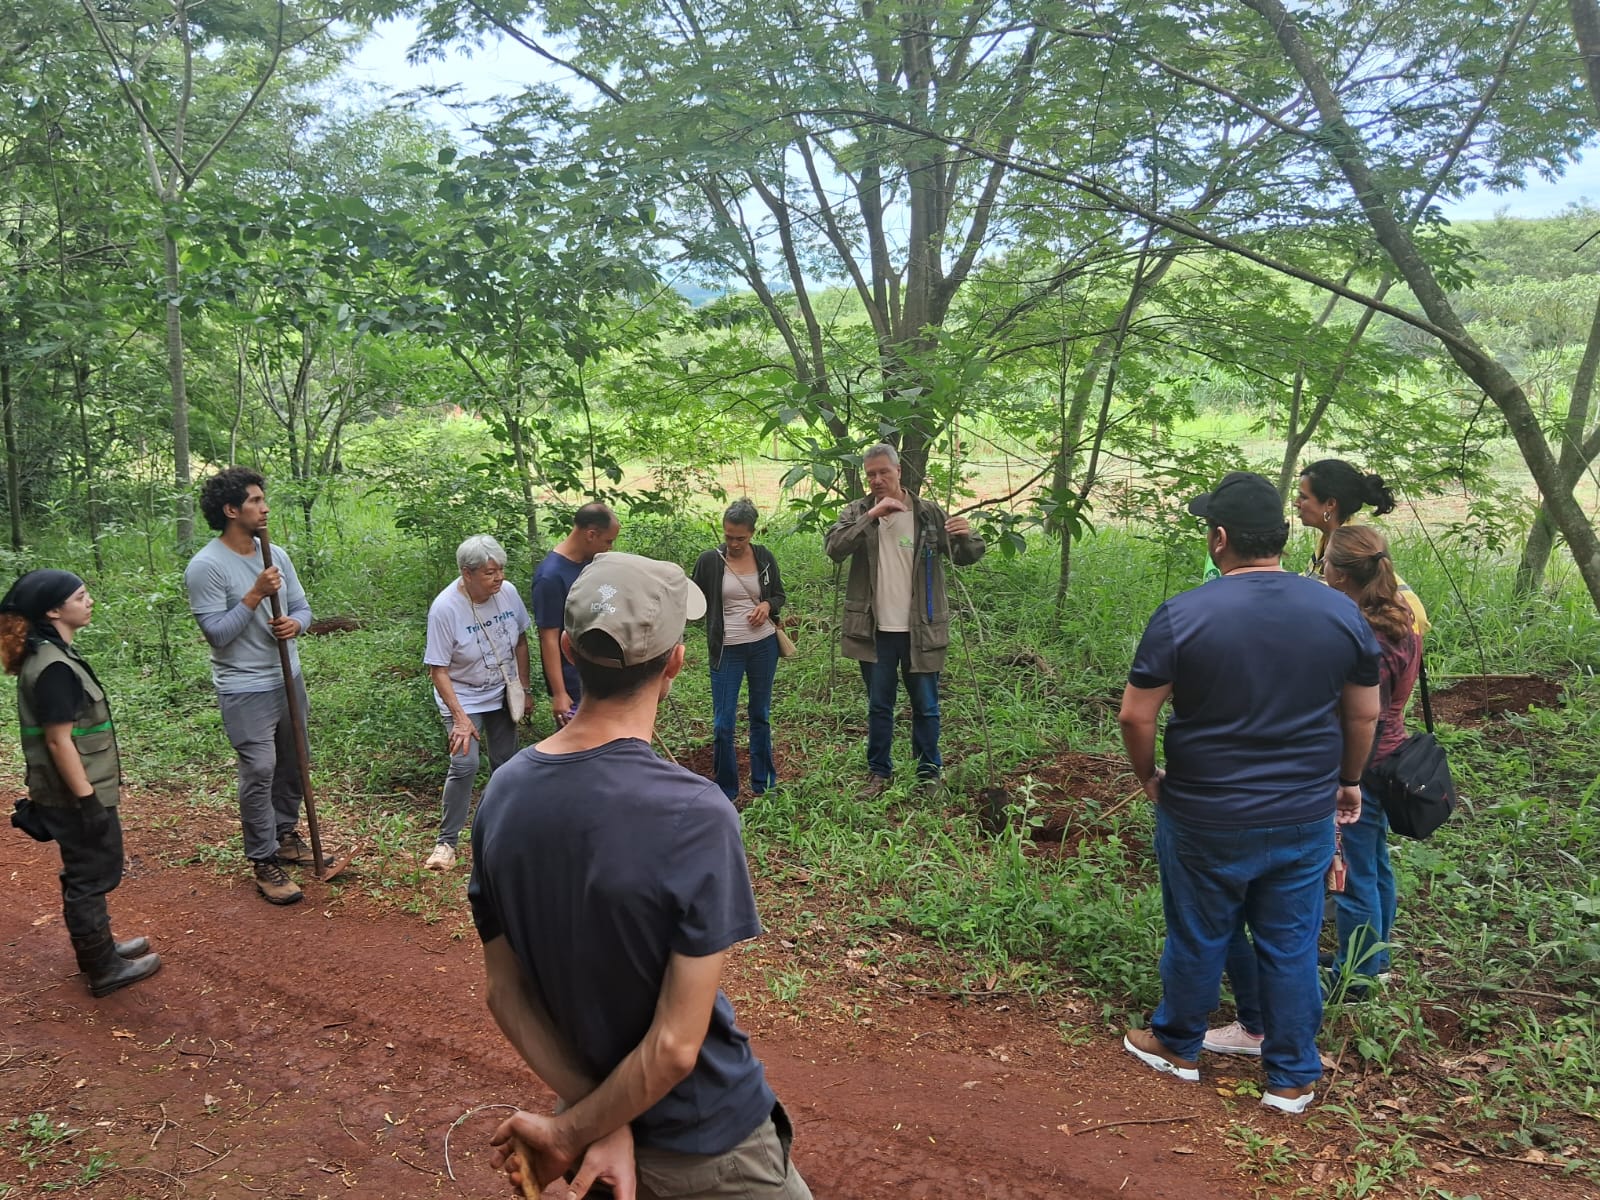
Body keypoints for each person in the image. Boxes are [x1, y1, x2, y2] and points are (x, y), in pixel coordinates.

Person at [470, 552, 812, 1200]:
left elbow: (505, 993)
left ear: (568, 651)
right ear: (675, 663)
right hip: (708, 1145)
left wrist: (593, 1120)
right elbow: (677, 1046)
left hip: (600, 1145)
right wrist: (575, 1132)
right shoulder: (697, 814)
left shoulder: (502, 794)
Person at [1118, 471, 1380, 1115]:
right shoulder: (1340, 611)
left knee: (1198, 931)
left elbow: (1136, 715)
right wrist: (1348, 782)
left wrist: (1148, 776)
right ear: (1283, 537)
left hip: (1203, 810)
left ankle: (1178, 1043)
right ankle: (1291, 1076)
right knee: (1291, 942)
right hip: (1301, 812)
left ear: (1220, 538)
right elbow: (1364, 713)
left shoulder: (1184, 613)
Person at [3, 570, 162, 996]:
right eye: (80, 596)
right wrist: (88, 801)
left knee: (86, 871)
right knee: (90, 875)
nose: (89, 601)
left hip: (68, 793)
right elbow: (59, 741)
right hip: (75, 795)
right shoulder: (54, 667)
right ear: (54, 611)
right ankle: (103, 968)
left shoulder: (53, 656)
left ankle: (101, 950)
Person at [184, 467, 338, 906]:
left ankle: (285, 835)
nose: (265, 508)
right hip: (244, 686)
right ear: (231, 510)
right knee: (259, 769)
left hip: (288, 676)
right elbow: (217, 634)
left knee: (293, 762)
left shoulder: (277, 555)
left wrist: (296, 625)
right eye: (254, 501)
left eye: (262, 498)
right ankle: (263, 858)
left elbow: (302, 607)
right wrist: (254, 594)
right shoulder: (206, 566)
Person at [823, 443, 985, 792]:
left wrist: (966, 535)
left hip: (921, 628)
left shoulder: (927, 513)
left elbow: (964, 556)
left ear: (899, 471)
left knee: (926, 706)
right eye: (871, 474)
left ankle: (928, 774)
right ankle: (879, 772)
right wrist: (872, 516)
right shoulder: (857, 511)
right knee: (879, 706)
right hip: (874, 629)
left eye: (884, 471)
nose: (877, 479)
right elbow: (835, 548)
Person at [421, 535, 532, 872]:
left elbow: (521, 641)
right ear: (466, 573)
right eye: (490, 572)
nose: (499, 578)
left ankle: (506, 832)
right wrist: (459, 718)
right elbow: (438, 669)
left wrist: (523, 688)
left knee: (506, 763)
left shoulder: (508, 593)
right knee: (464, 764)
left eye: (500, 570)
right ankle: (446, 843)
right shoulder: (445, 609)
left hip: (502, 691)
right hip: (463, 697)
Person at [691, 499, 788, 801]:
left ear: (752, 533)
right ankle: (726, 790)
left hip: (763, 646)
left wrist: (767, 604)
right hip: (726, 649)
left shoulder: (764, 557)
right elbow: (692, 600)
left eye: (740, 538)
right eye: (728, 536)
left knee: (760, 714)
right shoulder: (710, 560)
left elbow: (779, 594)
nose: (733, 543)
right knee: (723, 723)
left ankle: (764, 785)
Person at [1296, 458, 1429, 633]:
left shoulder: (1351, 547)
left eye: (1303, 497)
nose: (1296, 503)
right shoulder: (1330, 538)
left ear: (1330, 504)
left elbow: (1416, 616)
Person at [531, 502, 620, 728]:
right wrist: (560, 693)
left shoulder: (591, 563)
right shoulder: (550, 577)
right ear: (591, 535)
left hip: (600, 675)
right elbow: (549, 638)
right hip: (573, 683)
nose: (610, 548)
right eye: (608, 541)